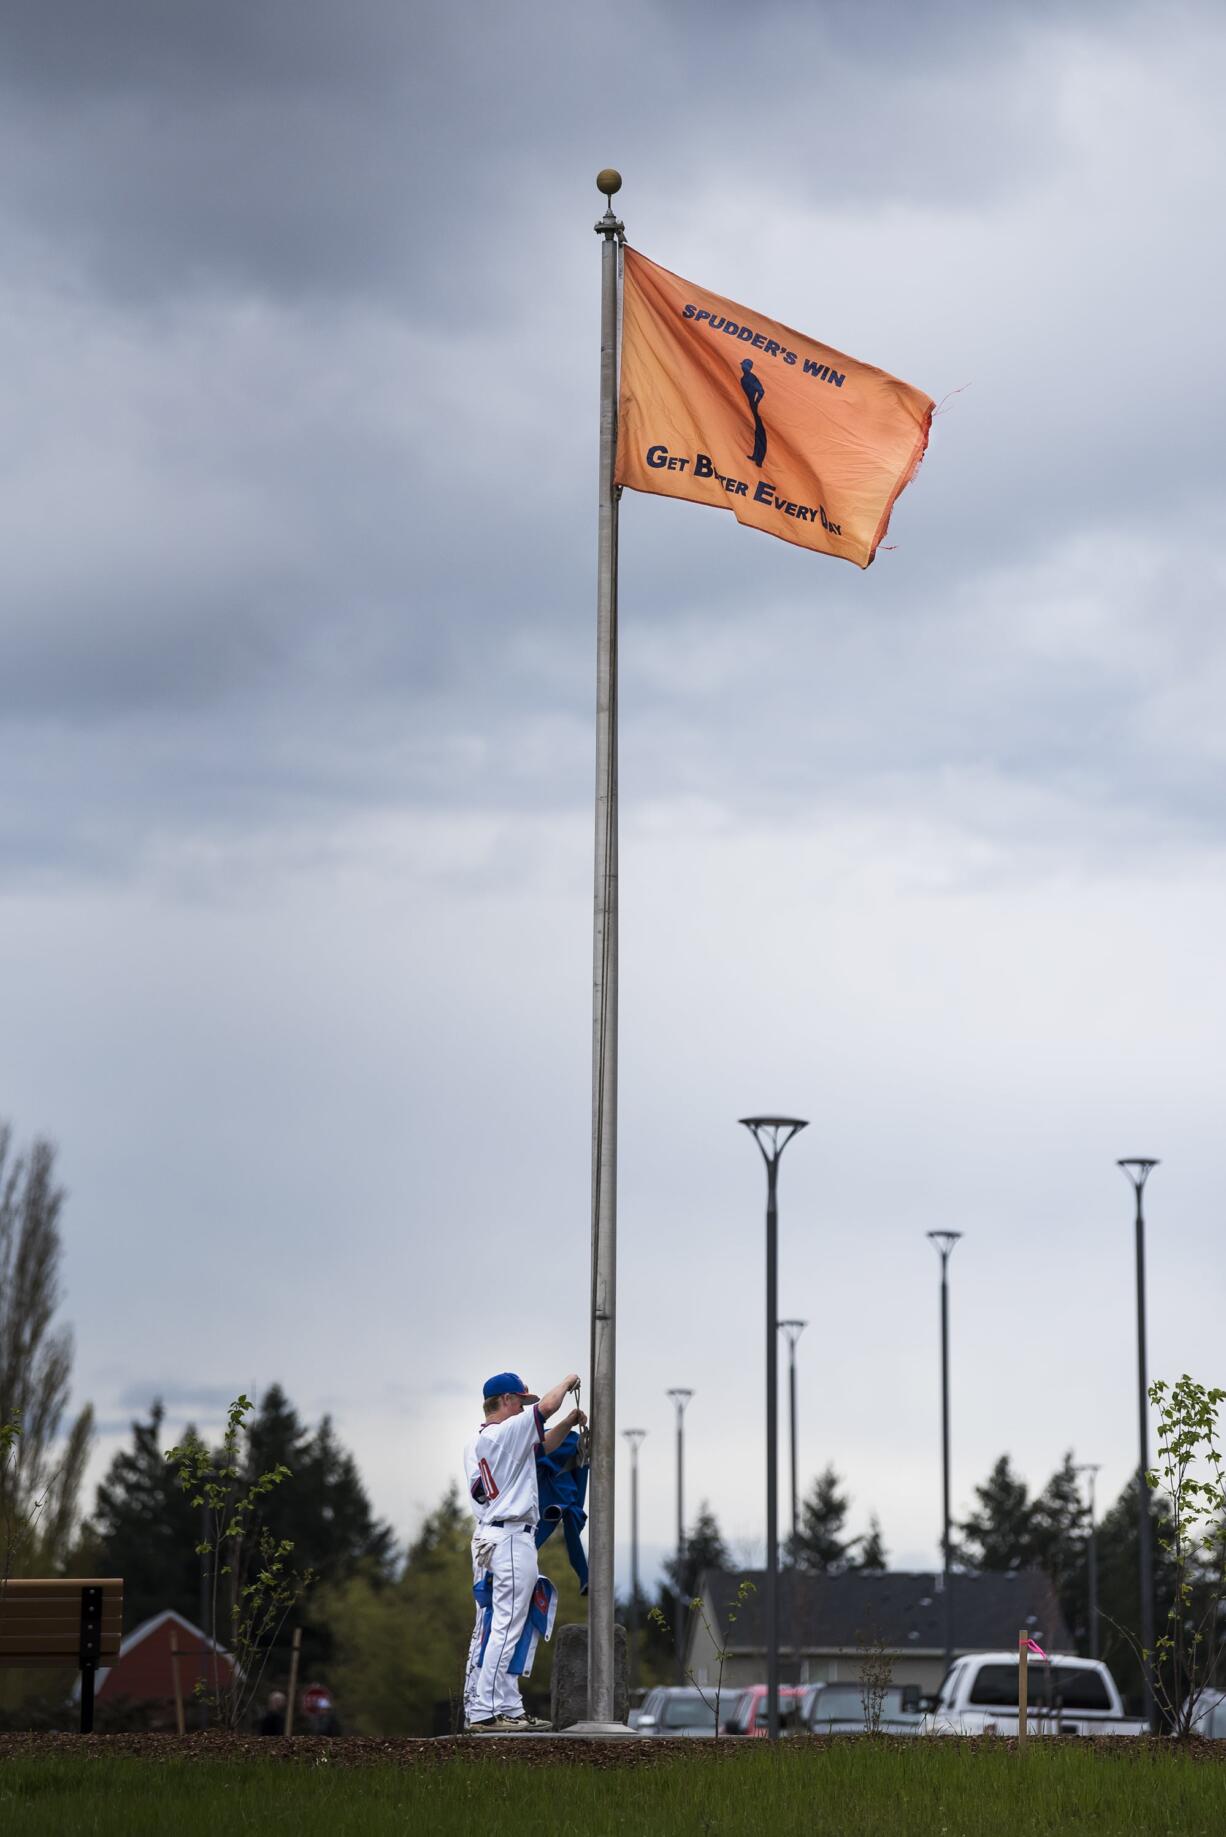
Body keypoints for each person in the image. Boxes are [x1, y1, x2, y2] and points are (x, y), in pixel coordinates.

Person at [461, 1370, 587, 1732]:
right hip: (509, 1536)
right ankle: (486, 1710)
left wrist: (568, 1422)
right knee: (508, 1623)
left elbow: (542, 1446)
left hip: (491, 1535)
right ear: (503, 1401)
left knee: (495, 1624)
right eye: (519, 1401)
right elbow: (545, 1407)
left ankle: (502, 1704)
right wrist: (567, 1382)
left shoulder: (481, 1440)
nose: (523, 1408)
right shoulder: (504, 1432)